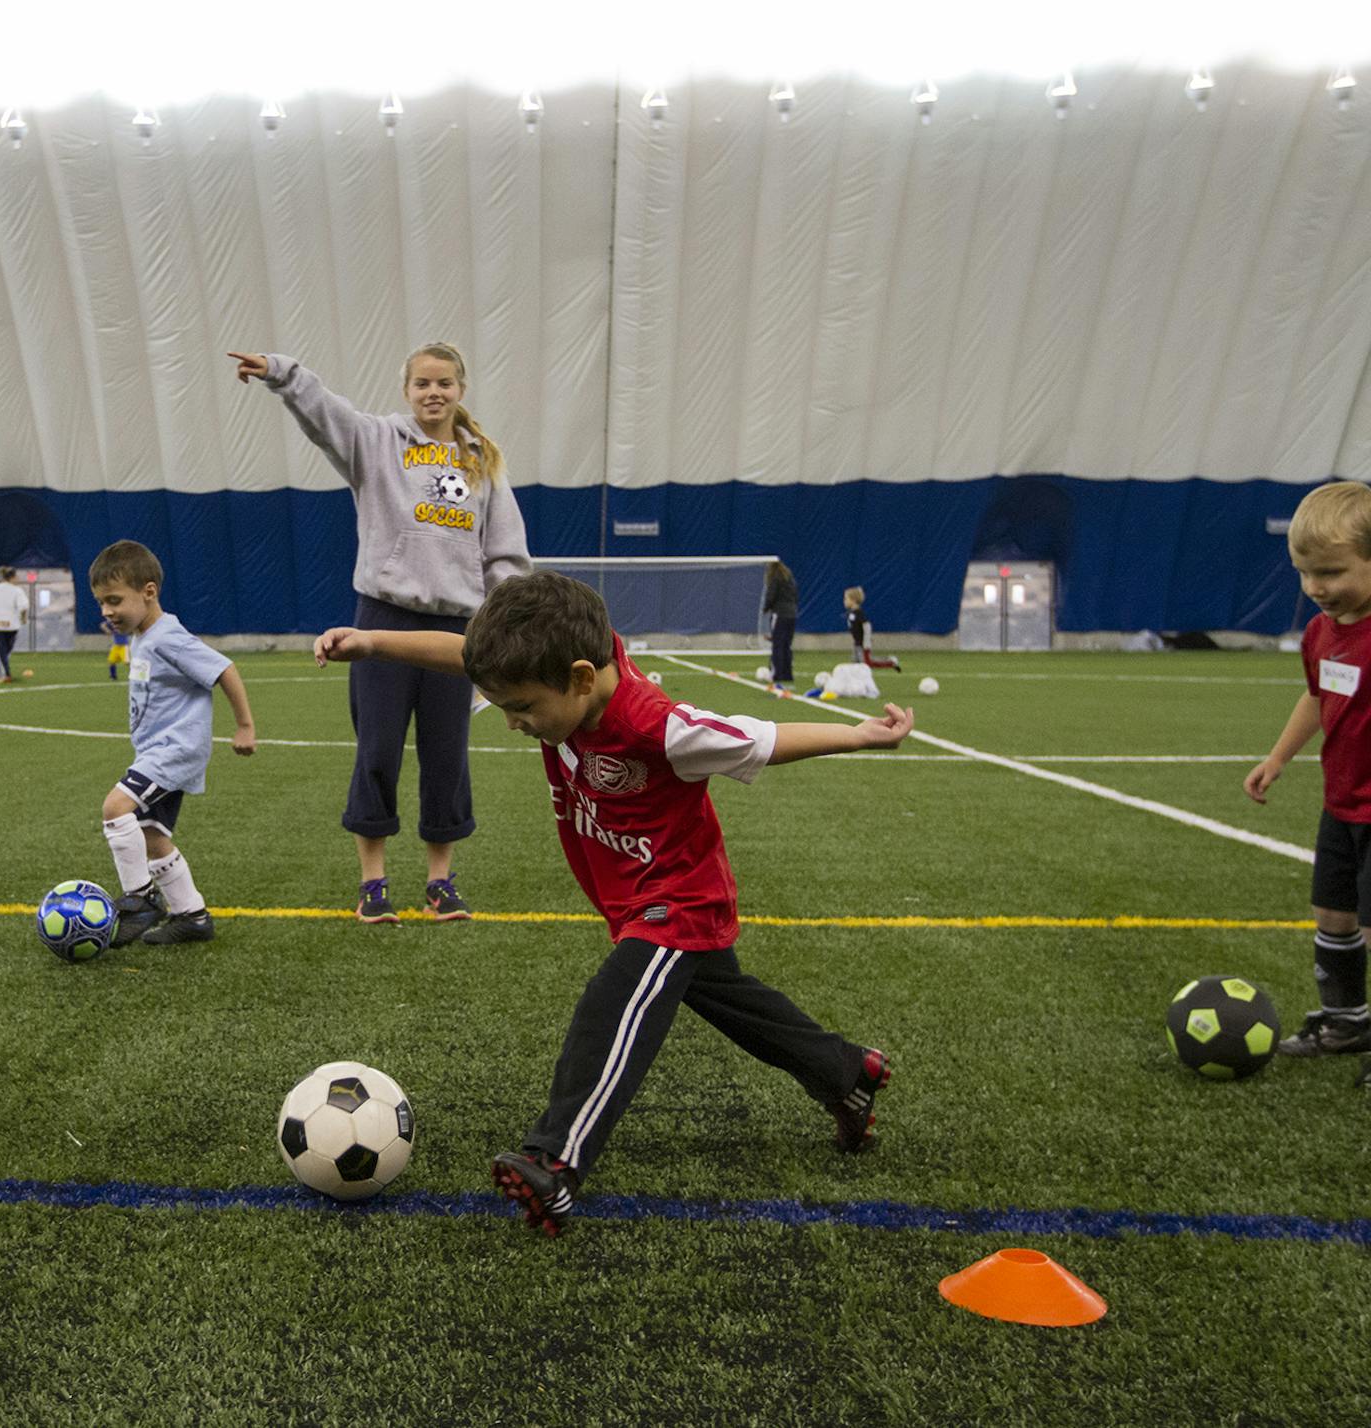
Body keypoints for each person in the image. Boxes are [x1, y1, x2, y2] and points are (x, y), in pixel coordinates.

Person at [315, 571, 912, 1235]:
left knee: (614, 1003)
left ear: (577, 678)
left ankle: (557, 1162)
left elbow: (762, 739)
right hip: (630, 896)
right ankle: (846, 1072)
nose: (514, 723)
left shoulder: (659, 728)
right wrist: (373, 642)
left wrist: (861, 735)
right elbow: (462, 655)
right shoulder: (557, 675)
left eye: (522, 707)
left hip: (676, 898)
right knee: (731, 1001)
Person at [231, 343, 530, 925]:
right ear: (407, 390)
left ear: (461, 390)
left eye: (443, 383)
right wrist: (282, 374)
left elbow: (504, 556)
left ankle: (441, 884)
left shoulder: (482, 463)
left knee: (447, 756)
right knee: (377, 752)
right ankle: (374, 885)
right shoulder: (376, 444)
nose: (433, 393)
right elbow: (325, 414)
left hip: (456, 630)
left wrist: (510, 623)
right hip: (383, 620)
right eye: (422, 384)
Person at [1245, 481, 1371, 1079]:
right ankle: (1345, 1021)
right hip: (1341, 805)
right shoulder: (1321, 633)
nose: (1316, 587)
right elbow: (1319, 697)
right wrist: (1277, 758)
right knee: (1333, 915)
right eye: (1304, 573)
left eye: (1331, 571)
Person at [90, 540, 258, 946]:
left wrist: (245, 726)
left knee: (115, 807)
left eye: (115, 600)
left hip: (175, 750)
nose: (107, 611)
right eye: (101, 603)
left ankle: (141, 897)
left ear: (149, 592)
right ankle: (192, 916)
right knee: (150, 834)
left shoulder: (167, 636)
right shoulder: (142, 636)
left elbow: (224, 670)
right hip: (155, 751)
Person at [0, 566, 30, 683]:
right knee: (6, 651)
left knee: (1, 650)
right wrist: (23, 619)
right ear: (13, 577)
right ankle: (6, 674)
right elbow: (23, 607)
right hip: (11, 625)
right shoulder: (17, 591)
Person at [843, 586, 901, 671]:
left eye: (846, 598)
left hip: (863, 644)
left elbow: (867, 626)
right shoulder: (851, 613)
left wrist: (866, 641)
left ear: (853, 600)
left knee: (867, 664)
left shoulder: (859, 613)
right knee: (855, 666)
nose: (844, 601)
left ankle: (891, 662)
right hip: (857, 644)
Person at [762, 559, 798, 689]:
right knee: (786, 645)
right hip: (792, 614)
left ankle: (777, 674)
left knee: (778, 645)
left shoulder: (775, 579)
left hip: (780, 613)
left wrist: (766, 608)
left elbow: (771, 596)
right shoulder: (790, 579)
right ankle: (787, 674)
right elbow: (795, 596)